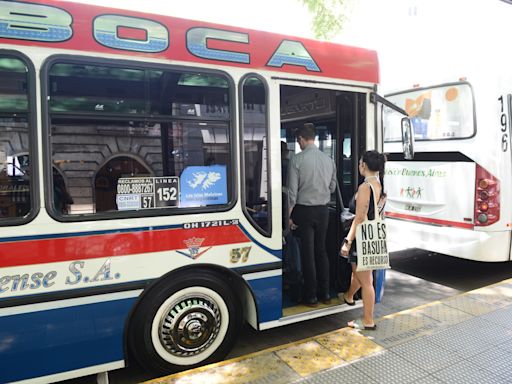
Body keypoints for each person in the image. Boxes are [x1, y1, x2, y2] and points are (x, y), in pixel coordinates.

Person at [287, 123, 336, 307]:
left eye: (298, 140)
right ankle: (325, 293)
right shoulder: (329, 160)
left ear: (301, 139)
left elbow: (292, 193)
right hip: (323, 211)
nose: (298, 144)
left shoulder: (297, 160)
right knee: (321, 251)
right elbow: (332, 188)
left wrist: (288, 217)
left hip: (304, 211)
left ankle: (311, 297)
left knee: (307, 254)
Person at [340, 150, 387, 330]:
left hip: (362, 238)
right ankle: (349, 296)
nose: (359, 165)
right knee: (358, 272)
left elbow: (359, 218)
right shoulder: (379, 185)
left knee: (366, 282)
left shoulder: (365, 187)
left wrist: (348, 241)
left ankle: (368, 321)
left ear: (364, 166)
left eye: (360, 163)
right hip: (373, 237)